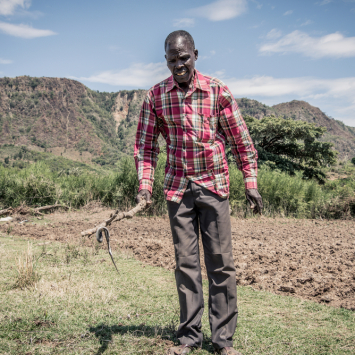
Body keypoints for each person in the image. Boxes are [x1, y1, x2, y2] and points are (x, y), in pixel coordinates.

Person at [134, 30, 263, 355]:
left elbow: (240, 141)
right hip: (178, 189)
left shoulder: (217, 91)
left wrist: (251, 182)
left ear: (195, 55)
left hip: (214, 186)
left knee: (220, 264)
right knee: (186, 264)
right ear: (165, 60)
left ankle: (222, 341)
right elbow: (146, 148)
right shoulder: (156, 96)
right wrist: (144, 188)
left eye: (184, 57)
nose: (179, 64)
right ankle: (190, 337)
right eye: (172, 59)